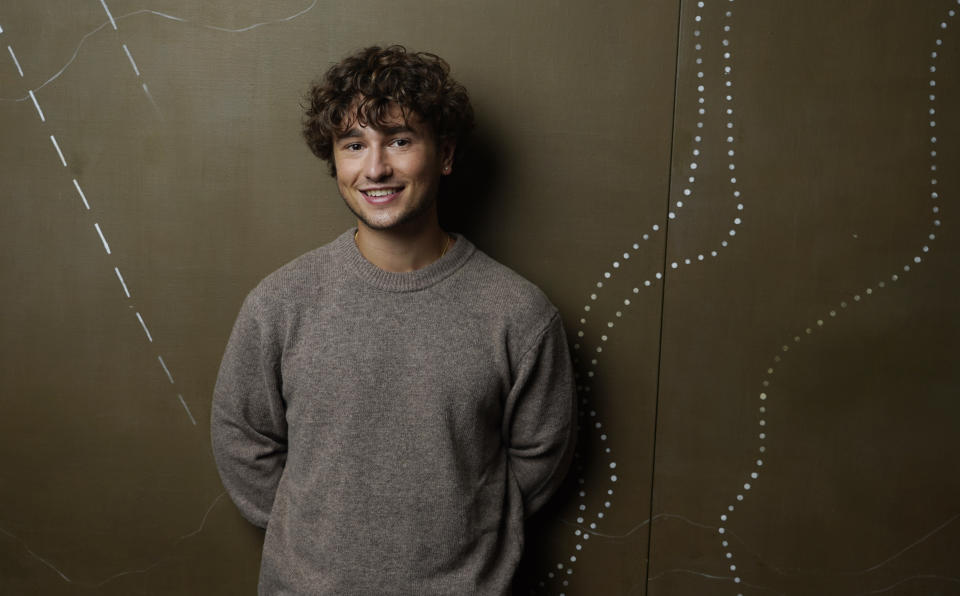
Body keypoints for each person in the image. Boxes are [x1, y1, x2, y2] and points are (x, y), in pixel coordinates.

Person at [211, 45, 576, 595]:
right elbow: (242, 437)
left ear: (445, 154)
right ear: (335, 161)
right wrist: (316, 540)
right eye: (354, 145)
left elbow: (541, 454)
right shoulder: (280, 303)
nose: (376, 167)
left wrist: (463, 532)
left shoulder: (518, 312)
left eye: (400, 141)